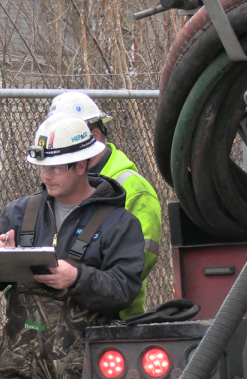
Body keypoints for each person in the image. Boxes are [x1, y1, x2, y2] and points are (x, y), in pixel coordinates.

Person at [0, 113, 146, 379]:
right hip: (17, 360)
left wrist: (78, 278)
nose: (45, 175)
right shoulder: (21, 212)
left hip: (79, 370)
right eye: (42, 167)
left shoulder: (118, 223)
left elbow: (125, 289)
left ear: (81, 165)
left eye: (55, 168)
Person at [47, 92, 162, 319]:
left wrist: (77, 278)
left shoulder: (131, 186)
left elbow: (139, 260)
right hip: (57, 325)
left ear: (95, 136)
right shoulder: (59, 185)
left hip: (115, 319)